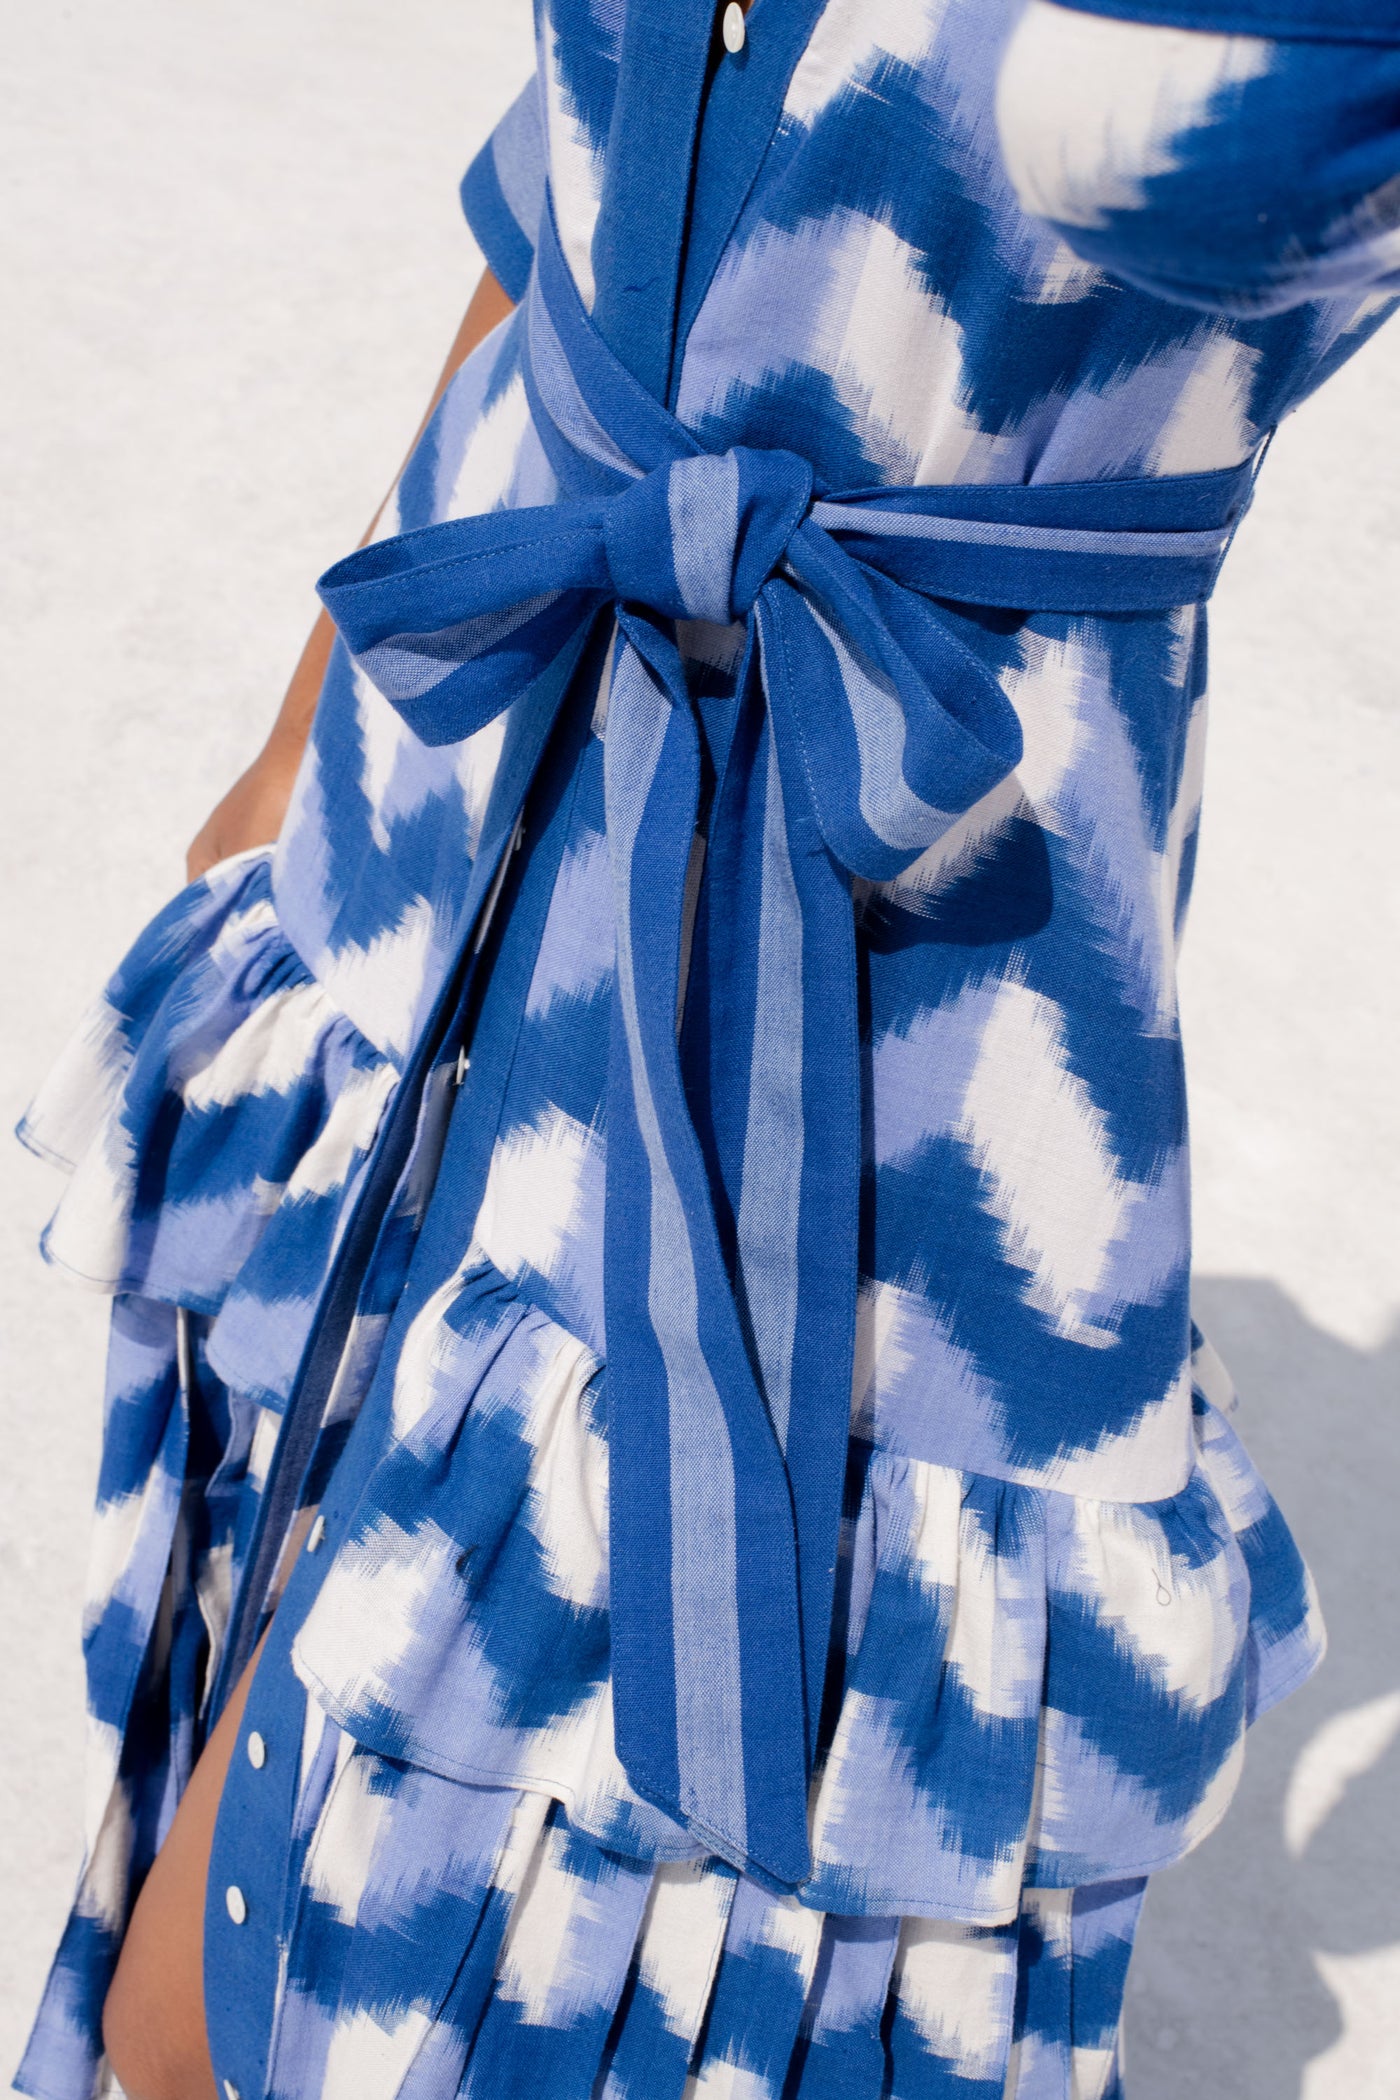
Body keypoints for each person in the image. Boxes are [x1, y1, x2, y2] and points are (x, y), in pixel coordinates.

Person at [13, 4, 1399, 2097]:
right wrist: (306, 720)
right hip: (435, 897)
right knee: (210, 1979)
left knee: (406, 2007)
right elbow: (556, 193)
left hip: (870, 1101)